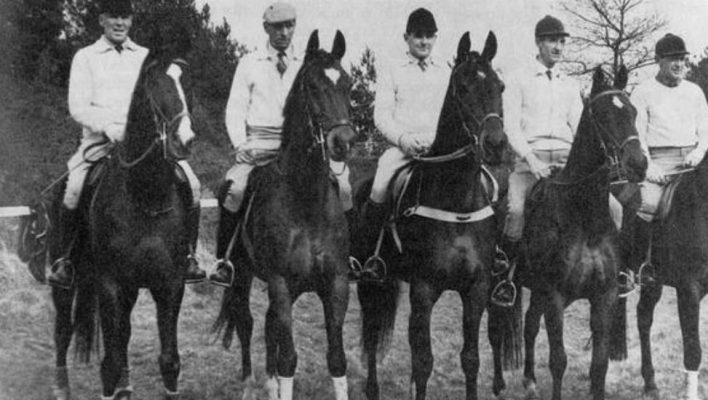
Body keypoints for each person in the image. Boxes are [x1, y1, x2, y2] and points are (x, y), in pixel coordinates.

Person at [47, 0, 205, 288]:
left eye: (125, 17)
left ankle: (189, 256)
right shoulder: (86, 57)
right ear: (102, 21)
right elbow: (77, 106)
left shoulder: (144, 57)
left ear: (131, 21)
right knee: (71, 189)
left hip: (148, 145)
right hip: (100, 143)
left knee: (192, 185)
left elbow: (160, 96)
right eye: (113, 17)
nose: (119, 23)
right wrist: (109, 127)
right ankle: (66, 261)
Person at [209, 2, 353, 287]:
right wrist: (241, 144)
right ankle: (225, 261)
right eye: (277, 26)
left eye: (289, 26)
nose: (284, 32)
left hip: (301, 145)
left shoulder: (308, 63)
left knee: (345, 187)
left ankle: (349, 257)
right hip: (259, 143)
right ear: (266, 28)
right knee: (234, 190)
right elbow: (235, 110)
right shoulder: (249, 63)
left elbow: (320, 104)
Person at [490, 15, 584, 306]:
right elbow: (512, 128)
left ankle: (611, 271)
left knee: (614, 209)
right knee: (515, 210)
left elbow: (580, 128)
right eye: (552, 40)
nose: (558, 46)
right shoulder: (518, 79)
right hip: (530, 161)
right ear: (538, 43)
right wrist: (533, 161)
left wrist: (576, 163)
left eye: (561, 41)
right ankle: (506, 276)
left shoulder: (570, 84)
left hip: (567, 163)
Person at [353, 7, 451, 282]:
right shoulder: (392, 69)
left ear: (435, 38)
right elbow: (381, 115)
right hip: (402, 146)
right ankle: (368, 254)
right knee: (380, 183)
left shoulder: (445, 71)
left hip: (437, 149)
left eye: (429, 36)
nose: (424, 42)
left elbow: (448, 115)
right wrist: (404, 140)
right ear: (406, 37)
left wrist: (436, 141)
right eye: (418, 36)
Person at [626, 33, 708, 285]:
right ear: (658, 60)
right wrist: (649, 166)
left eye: (682, 59)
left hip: (691, 161)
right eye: (672, 59)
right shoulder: (642, 92)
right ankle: (640, 266)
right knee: (649, 204)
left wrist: (698, 152)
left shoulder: (694, 91)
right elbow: (637, 135)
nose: (679, 65)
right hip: (658, 161)